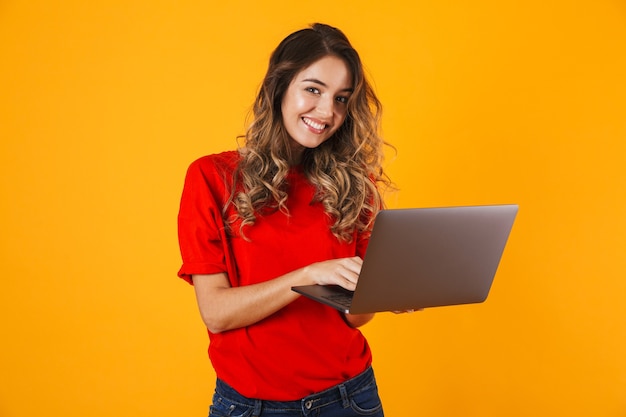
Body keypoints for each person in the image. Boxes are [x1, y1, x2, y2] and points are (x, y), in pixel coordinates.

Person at [177, 23, 393, 417]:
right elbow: (217, 314)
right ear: (279, 87)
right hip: (249, 406)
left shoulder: (355, 184)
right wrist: (309, 275)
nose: (327, 112)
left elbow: (357, 318)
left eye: (342, 99)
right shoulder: (212, 178)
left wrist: (383, 292)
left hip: (350, 400)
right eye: (313, 89)